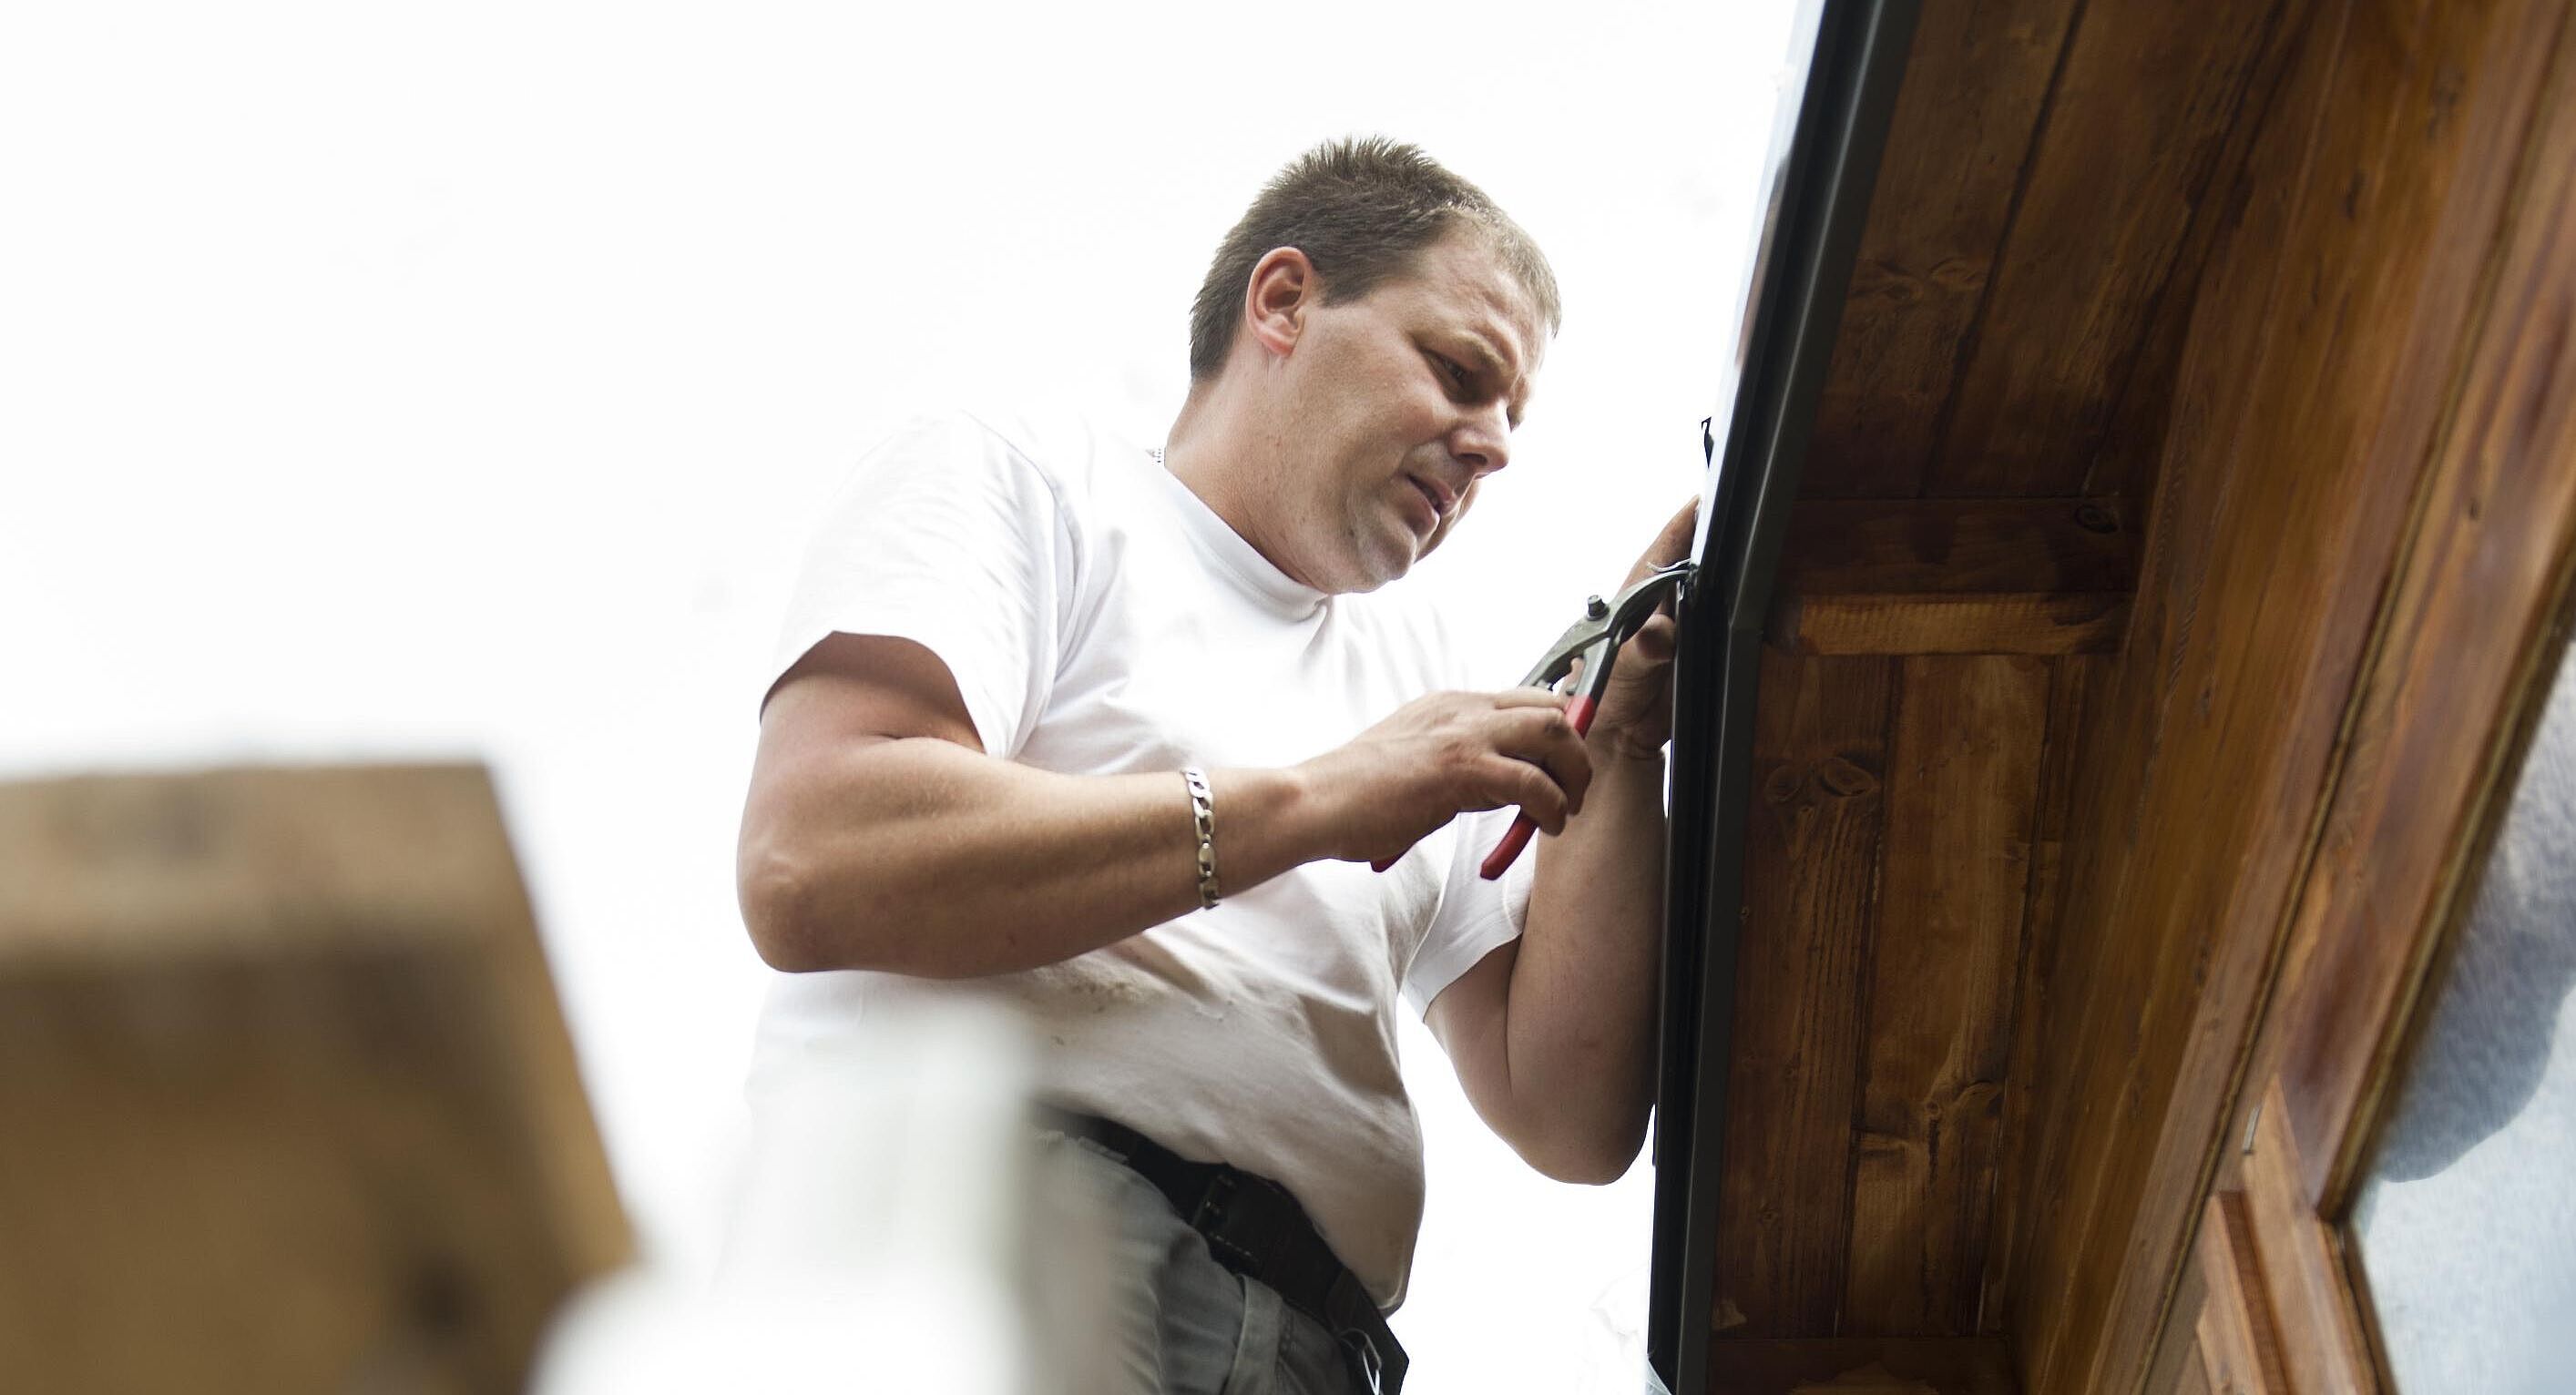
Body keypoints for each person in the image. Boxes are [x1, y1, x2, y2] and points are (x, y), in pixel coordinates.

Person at [735, 136, 1695, 1394]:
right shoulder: (1028, 485)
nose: (1492, 447)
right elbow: (814, 857)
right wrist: (1316, 803)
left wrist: (1620, 741)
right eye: (1461, 374)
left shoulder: (1417, 693)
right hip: (1001, 1253)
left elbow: (1567, 1113)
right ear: (1285, 301)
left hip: (1314, 1346)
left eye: (1512, 420)